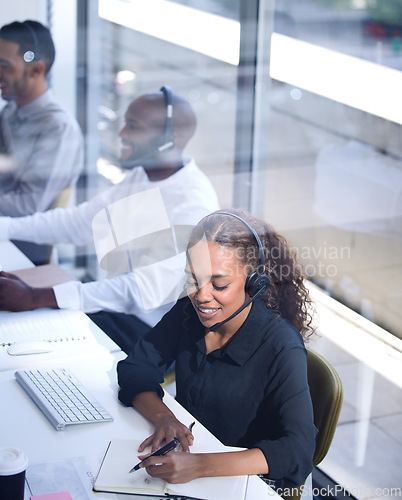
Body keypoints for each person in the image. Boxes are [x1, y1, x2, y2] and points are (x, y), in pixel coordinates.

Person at [0, 88, 220, 352]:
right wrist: (6, 227)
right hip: (111, 310)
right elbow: (79, 223)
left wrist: (37, 296)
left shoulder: (193, 204)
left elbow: (142, 290)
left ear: (167, 140)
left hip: (151, 331)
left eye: (133, 127)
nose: (122, 134)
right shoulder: (143, 175)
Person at [117, 209, 317, 488]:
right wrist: (164, 418)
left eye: (219, 285)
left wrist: (199, 466)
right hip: (189, 467)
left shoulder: (281, 345)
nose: (201, 295)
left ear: (254, 283)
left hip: (244, 483)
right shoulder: (189, 311)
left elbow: (298, 451)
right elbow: (136, 366)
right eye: (193, 279)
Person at [0, 20, 84, 264]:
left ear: (37, 70)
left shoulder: (57, 128)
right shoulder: (11, 111)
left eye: (4, 66)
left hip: (22, 246)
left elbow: (27, 205)